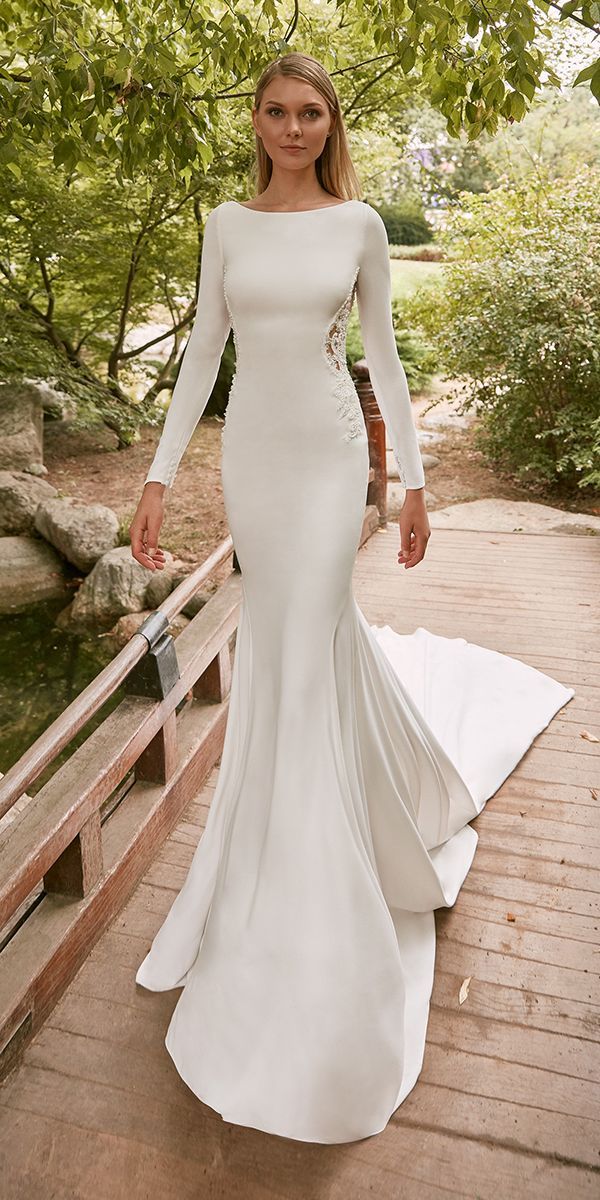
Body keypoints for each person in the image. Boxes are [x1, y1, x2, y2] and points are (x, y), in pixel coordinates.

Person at [130, 52, 574, 1144]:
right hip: (256, 463)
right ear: (257, 121)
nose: (293, 126)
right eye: (277, 111)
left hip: (330, 467)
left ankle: (317, 889)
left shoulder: (360, 224)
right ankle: (265, 864)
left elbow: (382, 357)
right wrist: (157, 472)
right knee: (284, 652)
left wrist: (411, 486)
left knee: (310, 634)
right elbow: (202, 355)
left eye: (310, 111)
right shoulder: (226, 224)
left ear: (330, 123)